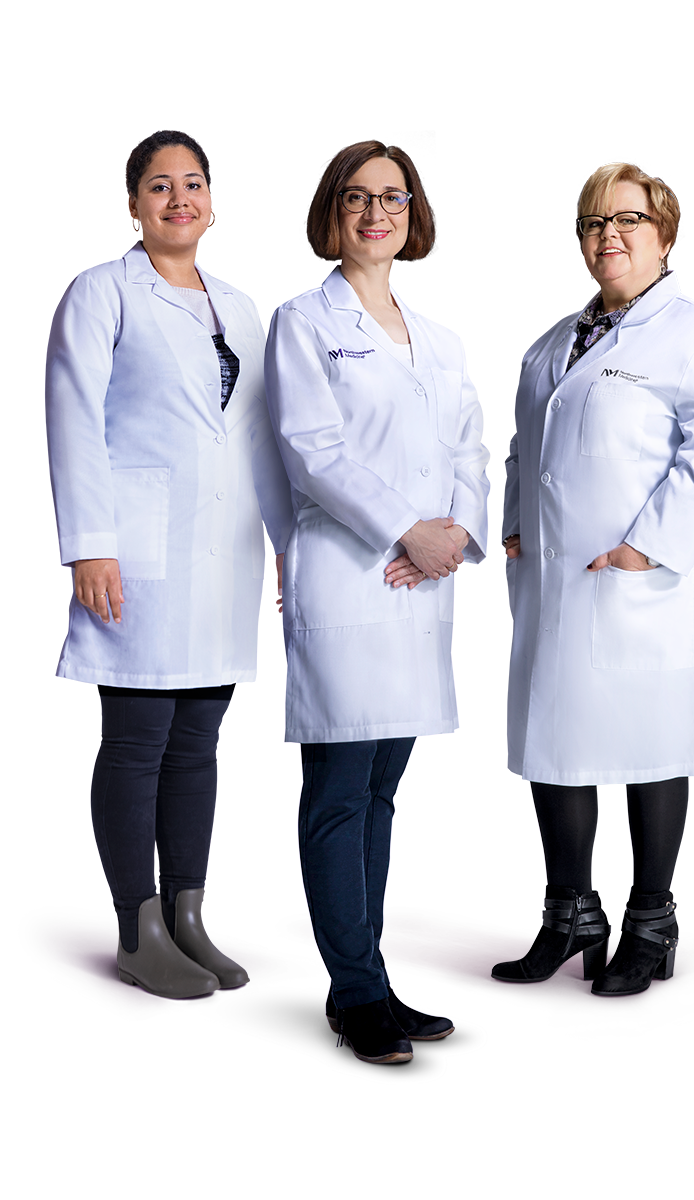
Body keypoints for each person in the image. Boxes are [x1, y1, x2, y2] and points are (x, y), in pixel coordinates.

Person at [491, 160, 694, 995]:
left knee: (649, 741)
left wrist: (649, 545)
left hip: (641, 583)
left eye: (628, 219)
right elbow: (524, 447)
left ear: (665, 236)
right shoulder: (555, 342)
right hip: (558, 575)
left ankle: (653, 922)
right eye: (595, 221)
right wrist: (514, 522)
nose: (609, 235)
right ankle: (571, 914)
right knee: (555, 739)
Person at [46, 130, 294, 999]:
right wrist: (90, 543)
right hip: (137, 550)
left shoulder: (241, 307)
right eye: (160, 185)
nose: (180, 198)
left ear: (213, 203)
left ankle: (189, 917)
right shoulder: (103, 291)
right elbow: (73, 414)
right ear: (131, 206)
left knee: (199, 743)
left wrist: (280, 544)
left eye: (194, 183)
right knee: (137, 736)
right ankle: (136, 930)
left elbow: (260, 437)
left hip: (224, 554)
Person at [265, 137, 489, 1060]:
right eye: (357, 198)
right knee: (339, 796)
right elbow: (310, 449)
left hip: (419, 582)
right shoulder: (302, 320)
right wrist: (406, 529)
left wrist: (456, 535)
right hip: (351, 572)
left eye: (392, 198)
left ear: (412, 214)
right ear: (333, 211)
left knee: (383, 795)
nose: (375, 214)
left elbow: (469, 439)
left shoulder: (434, 324)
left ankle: (371, 981)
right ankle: (356, 993)